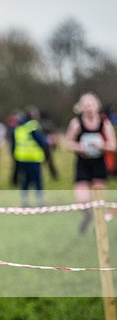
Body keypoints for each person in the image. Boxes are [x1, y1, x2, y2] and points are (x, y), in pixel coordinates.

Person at [64, 92, 117, 233]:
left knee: (98, 200)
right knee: (82, 200)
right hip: (83, 163)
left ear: (96, 106)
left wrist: (101, 146)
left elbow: (113, 145)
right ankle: (88, 216)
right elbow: (68, 142)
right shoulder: (76, 123)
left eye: (91, 104)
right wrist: (78, 147)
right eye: (85, 105)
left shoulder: (104, 123)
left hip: (99, 163)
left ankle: (99, 225)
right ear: (81, 108)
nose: (89, 108)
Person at [13, 106, 51, 207]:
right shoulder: (33, 126)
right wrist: (48, 141)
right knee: (37, 181)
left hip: (21, 158)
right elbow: (41, 141)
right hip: (33, 158)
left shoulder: (19, 127)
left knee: (24, 181)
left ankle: (24, 202)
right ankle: (40, 202)